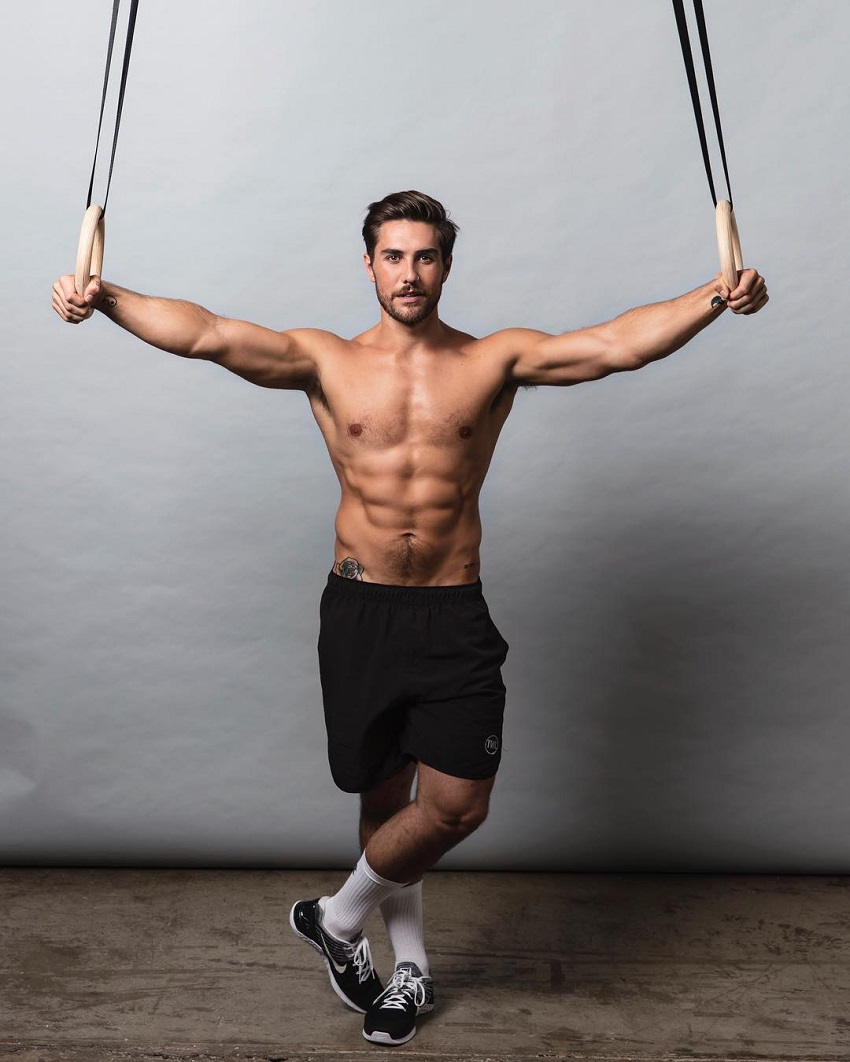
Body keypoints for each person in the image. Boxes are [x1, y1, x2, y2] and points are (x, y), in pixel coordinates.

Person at [53, 190, 768, 1046]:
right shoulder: (324, 359)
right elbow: (206, 334)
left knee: (456, 805)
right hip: (359, 610)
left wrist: (713, 297)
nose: (410, 273)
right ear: (369, 263)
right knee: (386, 799)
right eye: (393, 256)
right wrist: (109, 297)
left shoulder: (492, 359)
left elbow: (614, 346)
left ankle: (335, 917)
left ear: (447, 265)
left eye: (425, 256)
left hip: (453, 611)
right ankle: (409, 976)